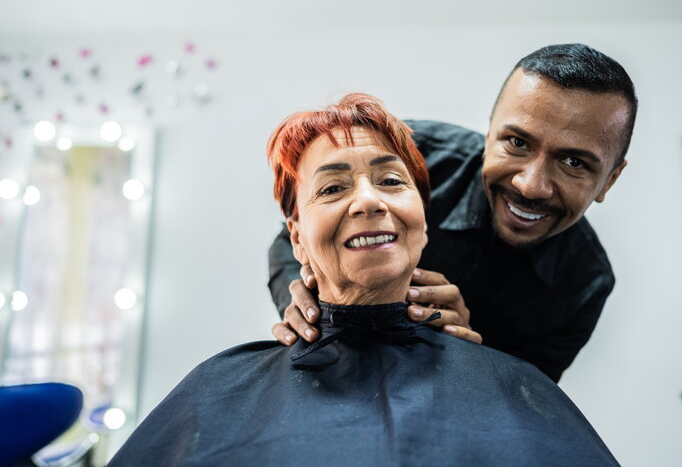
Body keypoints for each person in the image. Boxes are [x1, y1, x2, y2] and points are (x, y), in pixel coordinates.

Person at [108, 94, 619, 466]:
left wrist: (483, 360)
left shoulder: (581, 282)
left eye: (392, 182)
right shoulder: (219, 388)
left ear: (424, 219)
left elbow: (523, 413)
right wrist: (305, 293)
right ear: (298, 237)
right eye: (332, 187)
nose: (370, 201)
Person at [269, 44, 637, 381]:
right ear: (489, 132)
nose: (530, 186)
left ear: (610, 180)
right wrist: (300, 298)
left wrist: (470, 355)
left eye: (574, 162)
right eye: (517, 143)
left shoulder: (583, 285)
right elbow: (291, 237)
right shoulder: (409, 156)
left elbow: (524, 401)